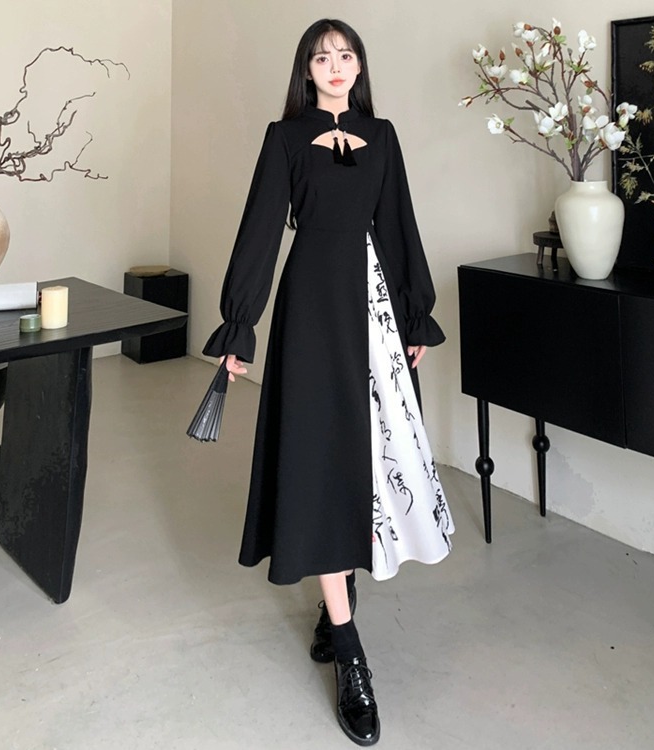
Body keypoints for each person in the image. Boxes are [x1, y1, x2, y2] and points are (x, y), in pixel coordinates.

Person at [203, 18, 454, 746]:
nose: (335, 66)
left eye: (346, 56)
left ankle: (334, 593)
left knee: (366, 457)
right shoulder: (284, 138)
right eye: (322, 57)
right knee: (318, 457)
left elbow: (399, 226)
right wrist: (239, 325)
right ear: (306, 71)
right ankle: (350, 653)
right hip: (310, 307)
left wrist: (415, 315)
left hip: (372, 310)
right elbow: (259, 229)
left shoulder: (384, 136)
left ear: (359, 67)